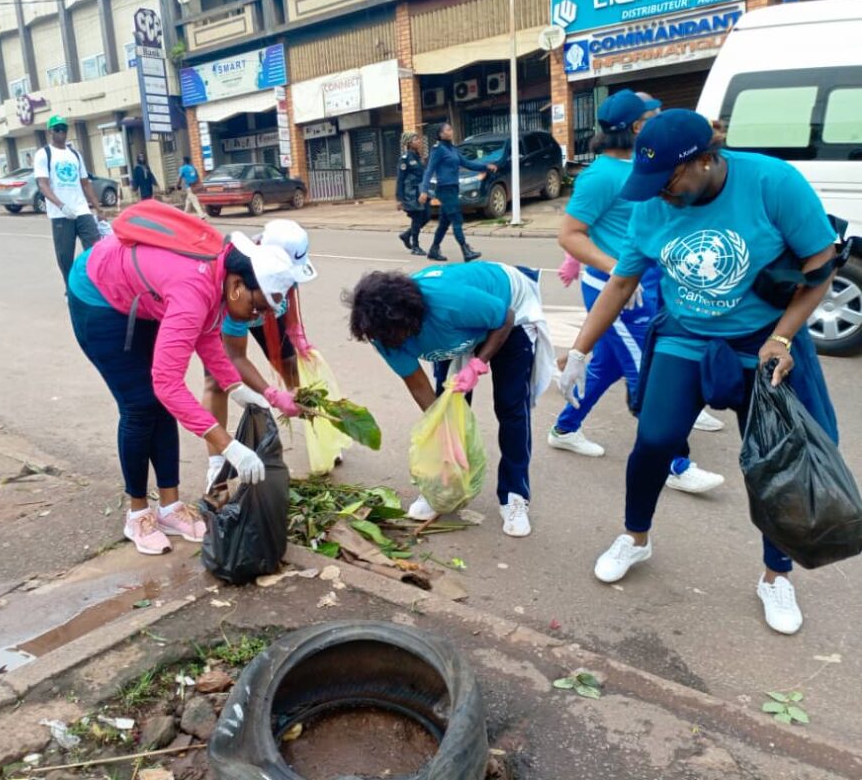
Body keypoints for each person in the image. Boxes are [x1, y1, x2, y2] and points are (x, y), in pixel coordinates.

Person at [559, 109, 841, 635]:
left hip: (763, 341)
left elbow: (820, 267)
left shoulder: (772, 183)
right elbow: (620, 284)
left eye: (668, 181)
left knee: (775, 460)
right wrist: (579, 351)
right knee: (655, 440)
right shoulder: (652, 205)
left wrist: (783, 337)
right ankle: (636, 539)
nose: (659, 194)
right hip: (686, 337)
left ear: (706, 160)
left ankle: (775, 575)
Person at [67, 202, 309, 555]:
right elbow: (168, 383)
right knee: (140, 405)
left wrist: (239, 389)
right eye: (257, 308)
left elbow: (207, 335)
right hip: (99, 297)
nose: (256, 316)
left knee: (161, 408)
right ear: (239, 286)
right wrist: (228, 445)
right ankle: (138, 513)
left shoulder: (219, 278)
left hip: (145, 297)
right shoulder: (194, 290)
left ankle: (169, 507)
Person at [548, 90, 725, 496]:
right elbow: (570, 236)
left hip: (646, 285)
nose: (662, 117)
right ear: (638, 127)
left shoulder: (646, 167)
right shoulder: (601, 175)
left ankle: (564, 427)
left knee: (609, 365)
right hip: (619, 292)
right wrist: (615, 272)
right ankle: (675, 463)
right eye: (655, 114)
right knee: (646, 377)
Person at [347, 261, 555, 537]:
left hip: (508, 315)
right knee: (446, 409)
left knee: (510, 406)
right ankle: (444, 489)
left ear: (411, 321)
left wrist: (478, 364)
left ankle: (515, 495)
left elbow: (504, 318)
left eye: (395, 337)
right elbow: (419, 388)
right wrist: (442, 430)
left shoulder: (450, 302)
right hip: (459, 335)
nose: (392, 345)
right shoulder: (382, 333)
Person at [202, 219, 318, 489]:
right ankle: (217, 464)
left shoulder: (283, 266)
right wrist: (271, 394)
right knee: (216, 384)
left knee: (289, 363)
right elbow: (235, 355)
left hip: (264, 306)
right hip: (240, 310)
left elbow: (289, 292)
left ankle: (315, 434)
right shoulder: (238, 284)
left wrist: (295, 331)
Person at [34, 115, 103, 283]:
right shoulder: (44, 154)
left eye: (64, 129)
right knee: (66, 257)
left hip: (81, 210)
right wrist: (61, 206)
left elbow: (85, 184)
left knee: (95, 250)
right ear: (50, 132)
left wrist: (99, 208)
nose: (61, 132)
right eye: (57, 129)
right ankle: (70, 290)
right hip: (61, 215)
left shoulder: (75, 155)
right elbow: (43, 185)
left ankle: (96, 285)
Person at [418, 123, 497, 263]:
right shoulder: (438, 150)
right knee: (457, 219)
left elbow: (467, 163)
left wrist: (486, 166)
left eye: (451, 128)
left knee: (444, 222)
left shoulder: (453, 149)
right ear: (441, 134)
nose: (451, 131)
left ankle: (434, 250)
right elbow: (429, 171)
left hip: (454, 189)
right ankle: (466, 250)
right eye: (448, 129)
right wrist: (424, 190)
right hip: (444, 190)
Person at [396, 132, 429, 257]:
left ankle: (407, 235)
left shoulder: (418, 157)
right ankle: (415, 246)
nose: (419, 141)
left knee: (426, 216)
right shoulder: (405, 159)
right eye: (415, 139)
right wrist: (399, 199)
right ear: (409, 143)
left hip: (420, 192)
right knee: (417, 218)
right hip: (411, 193)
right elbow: (400, 179)